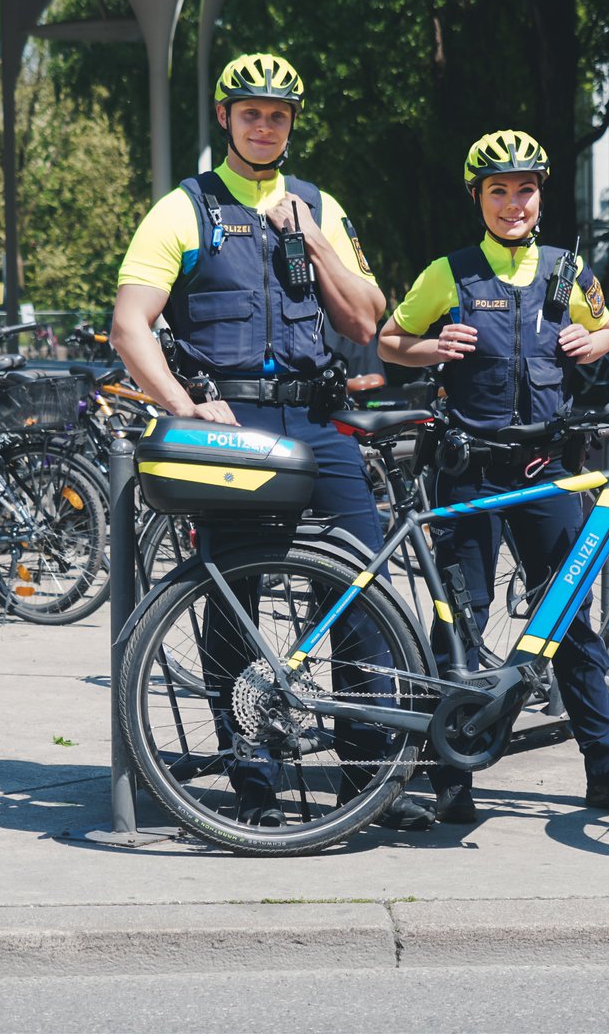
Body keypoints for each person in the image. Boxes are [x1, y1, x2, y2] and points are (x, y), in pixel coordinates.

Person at [110, 51, 434, 832]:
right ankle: (251, 779)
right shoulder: (184, 208)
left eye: (278, 115)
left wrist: (312, 239)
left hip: (320, 423)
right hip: (235, 427)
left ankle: (367, 777)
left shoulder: (319, 205)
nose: (264, 125)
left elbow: (365, 320)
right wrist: (186, 407)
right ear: (224, 118)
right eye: (249, 112)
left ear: (291, 124)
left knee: (362, 589)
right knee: (235, 600)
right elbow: (130, 326)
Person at [378, 129, 609, 825]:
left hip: (548, 470)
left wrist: (593, 340)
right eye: (498, 191)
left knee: (571, 623)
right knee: (459, 623)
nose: (513, 203)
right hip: (469, 471)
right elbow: (388, 339)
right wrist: (430, 344)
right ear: (479, 198)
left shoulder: (567, 268)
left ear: (540, 196)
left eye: (524, 189)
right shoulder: (451, 271)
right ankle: (453, 780)